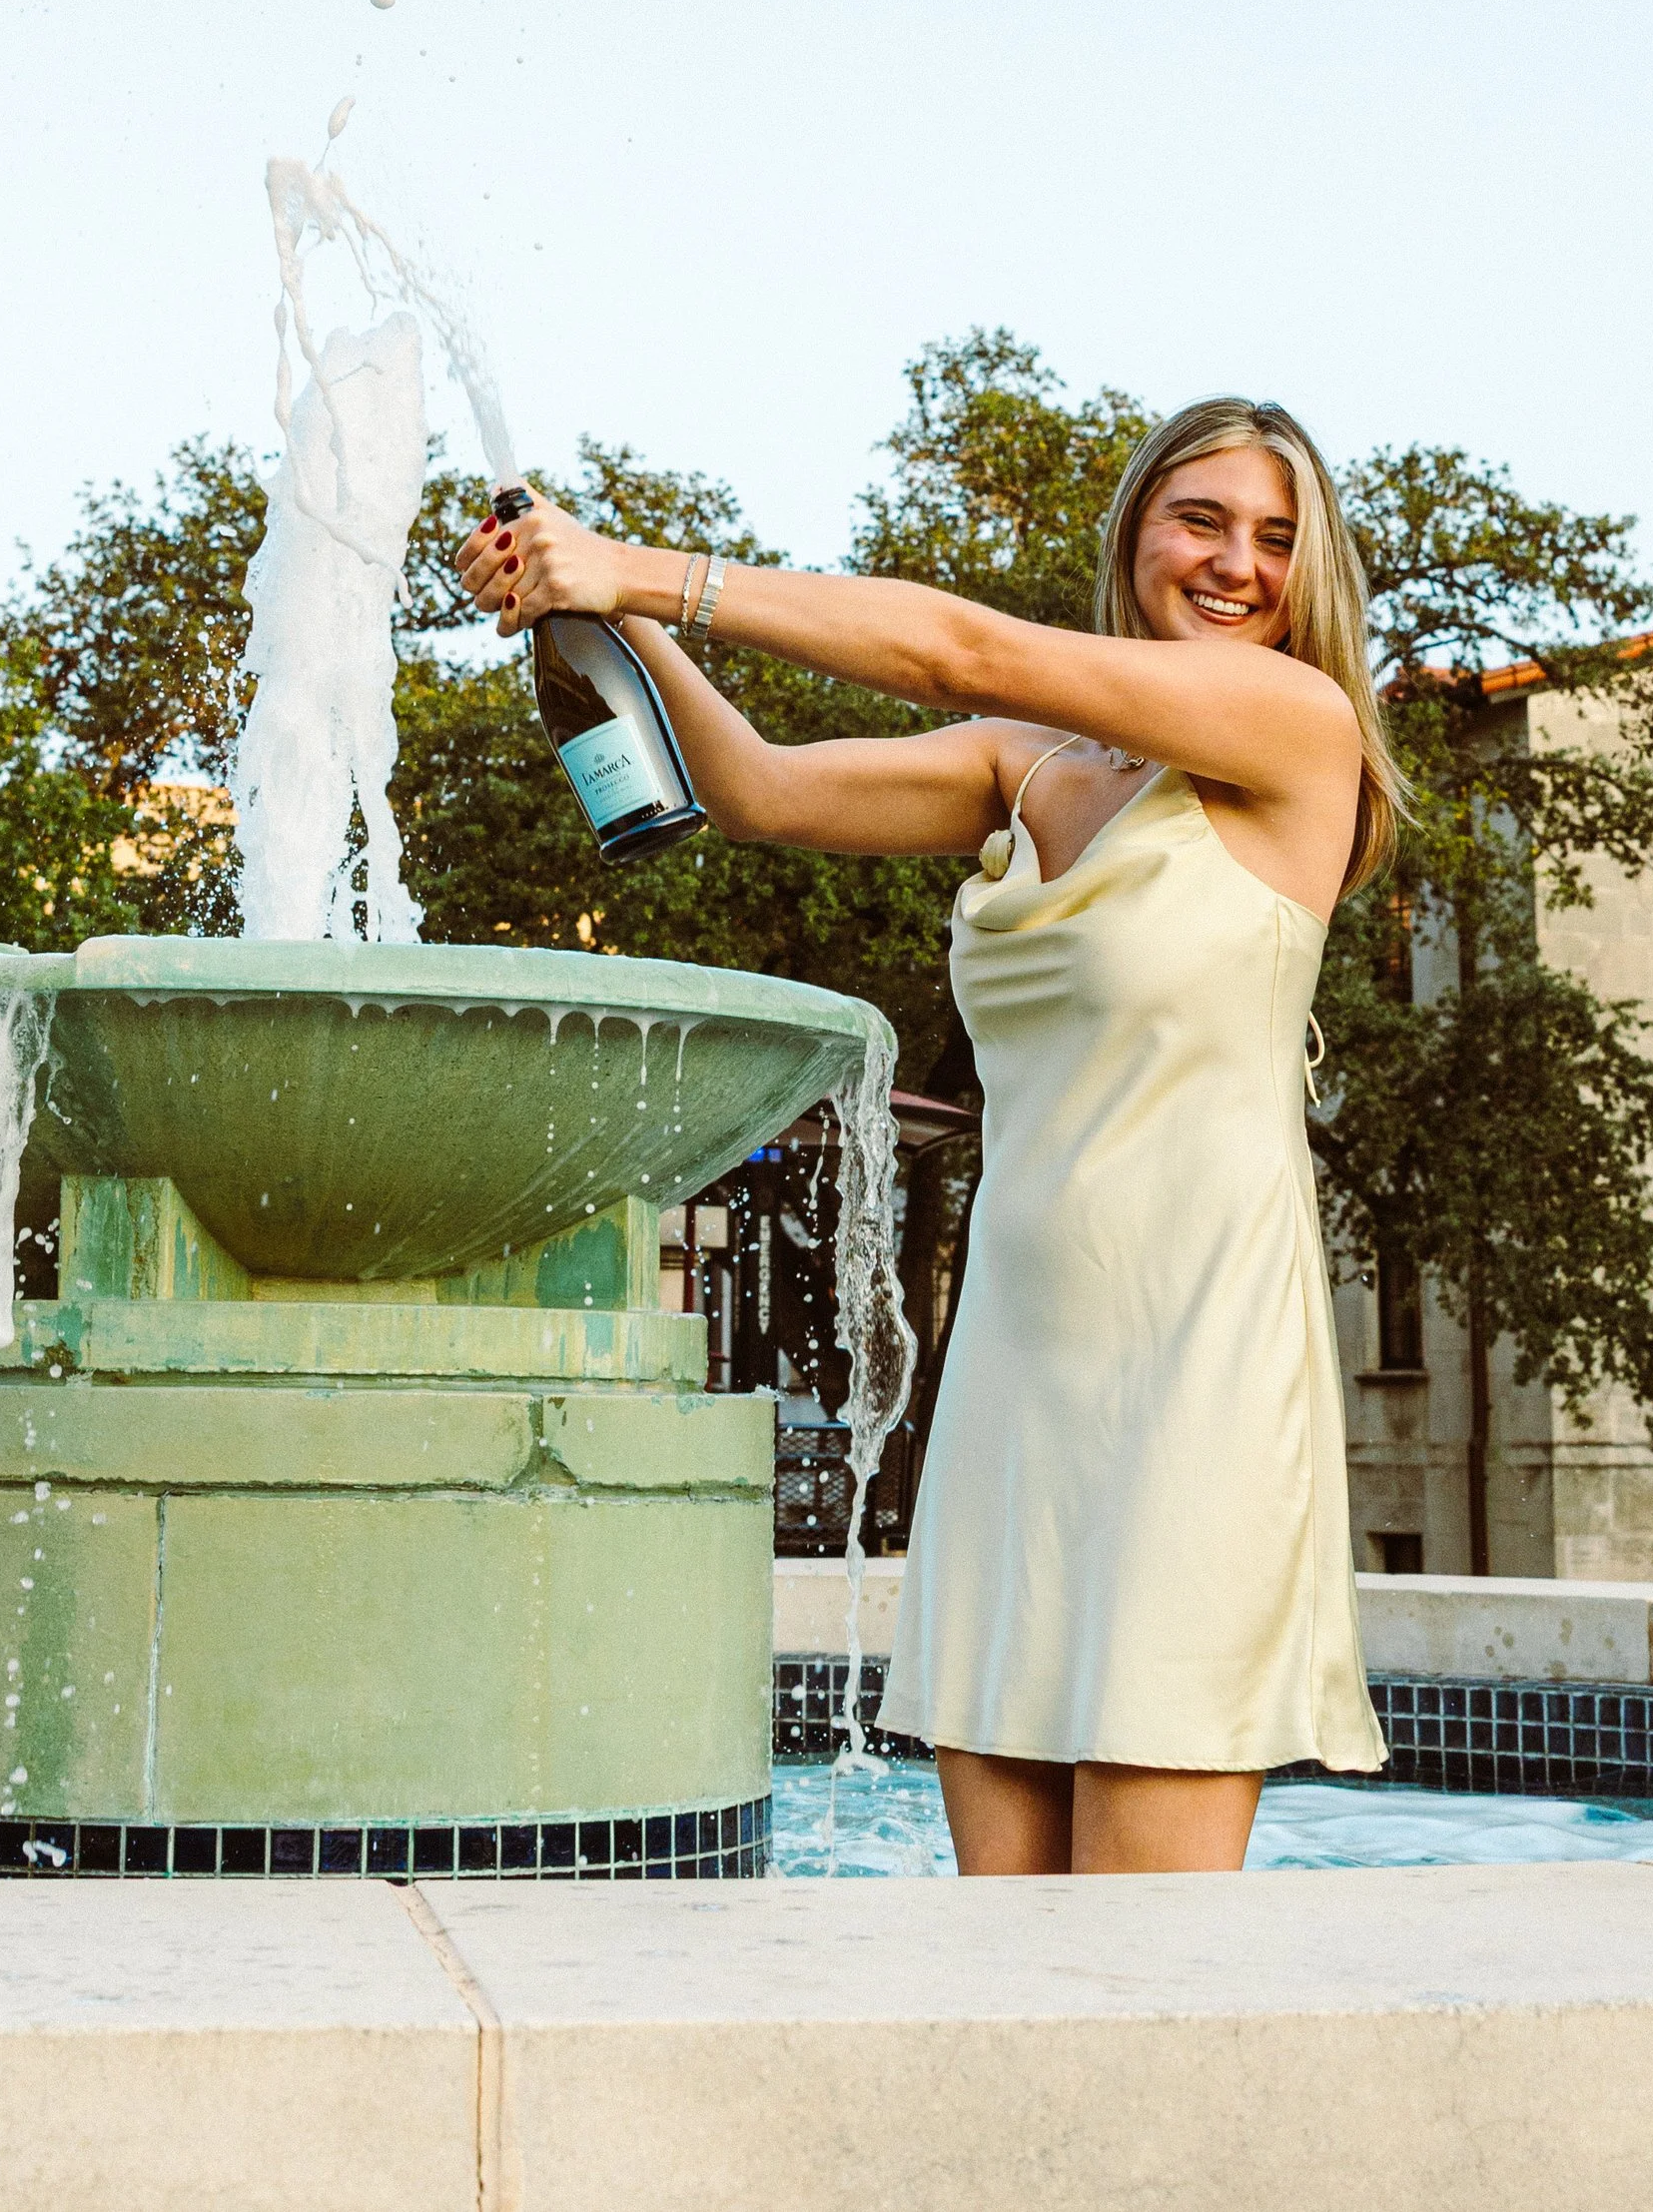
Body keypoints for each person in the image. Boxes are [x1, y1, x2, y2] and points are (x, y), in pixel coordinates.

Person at [455, 395, 1401, 1876]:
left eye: (1279, 540)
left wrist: (631, 569)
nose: (1238, 565)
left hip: (1198, 1376)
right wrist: (592, 620)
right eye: (1201, 520)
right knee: (1005, 1958)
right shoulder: (1021, 770)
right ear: (1139, 532)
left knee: (1138, 1978)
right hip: (1021, 1379)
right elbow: (754, 790)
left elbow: (957, 645)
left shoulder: (1296, 726)